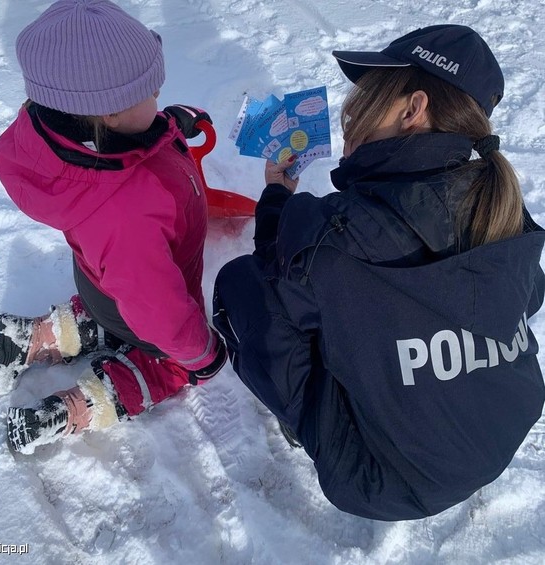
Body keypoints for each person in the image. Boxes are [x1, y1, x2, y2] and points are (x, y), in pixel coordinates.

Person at [212, 24, 545, 520]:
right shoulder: (501, 208)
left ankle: (311, 422)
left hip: (383, 479)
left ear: (412, 110)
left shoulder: (335, 232)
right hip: (501, 428)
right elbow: (531, 295)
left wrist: (278, 195)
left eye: (369, 99)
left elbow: (276, 274)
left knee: (241, 285)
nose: (353, 115)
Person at [0, 0, 226, 454]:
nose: (159, 94)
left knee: (118, 312)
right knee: (170, 360)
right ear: (110, 113)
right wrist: (200, 353)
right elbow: (158, 308)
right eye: (150, 91)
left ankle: (32, 337)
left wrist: (170, 123)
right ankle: (67, 410)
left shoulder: (81, 135)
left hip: (106, 281)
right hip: (142, 294)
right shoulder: (126, 209)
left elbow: (142, 134)